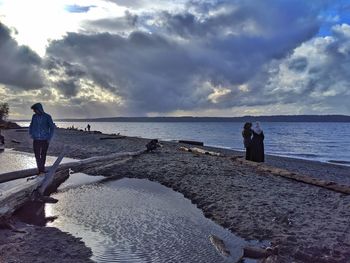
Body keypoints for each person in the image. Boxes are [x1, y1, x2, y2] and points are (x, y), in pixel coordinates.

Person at [29, 103, 55, 174]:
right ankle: (39, 170)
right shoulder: (34, 116)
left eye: (35, 110)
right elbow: (31, 125)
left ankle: (42, 170)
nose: (34, 112)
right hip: (36, 139)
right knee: (37, 155)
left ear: (39, 109)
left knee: (43, 155)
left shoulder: (47, 117)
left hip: (45, 140)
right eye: (34, 110)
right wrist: (31, 133)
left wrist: (49, 138)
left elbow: (52, 128)